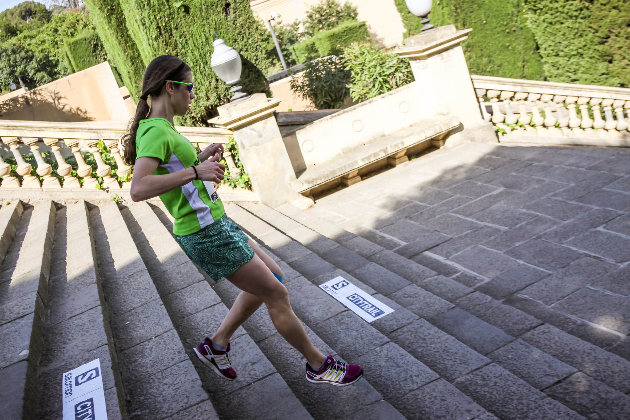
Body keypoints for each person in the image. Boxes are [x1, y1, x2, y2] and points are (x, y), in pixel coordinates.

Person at [123, 55, 362, 386]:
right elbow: (138, 188)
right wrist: (197, 170)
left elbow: (171, 170)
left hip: (215, 223)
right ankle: (318, 365)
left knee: (275, 276)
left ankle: (217, 344)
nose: (193, 94)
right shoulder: (154, 132)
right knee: (277, 293)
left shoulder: (163, 128)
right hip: (205, 232)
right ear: (170, 86)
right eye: (189, 87)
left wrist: (201, 158)